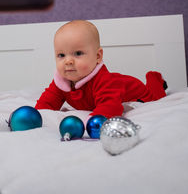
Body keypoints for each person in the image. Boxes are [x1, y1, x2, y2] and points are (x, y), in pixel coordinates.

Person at [35, 20, 167, 119]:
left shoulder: (104, 81)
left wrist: (92, 122)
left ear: (98, 56)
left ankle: (154, 78)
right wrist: (35, 116)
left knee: (156, 97)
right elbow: (47, 103)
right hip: (117, 83)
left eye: (78, 53)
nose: (68, 61)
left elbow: (110, 107)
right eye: (61, 55)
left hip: (135, 90)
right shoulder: (62, 81)